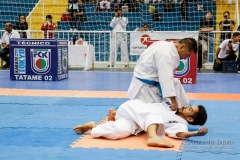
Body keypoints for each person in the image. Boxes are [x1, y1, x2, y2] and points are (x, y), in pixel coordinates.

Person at [73, 100, 208, 148]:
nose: (186, 107)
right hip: (133, 108)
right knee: (154, 113)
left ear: (190, 119)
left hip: (134, 123)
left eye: (190, 110)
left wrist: (195, 134)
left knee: (117, 133)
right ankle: (153, 137)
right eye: (189, 106)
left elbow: (180, 133)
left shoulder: (180, 123)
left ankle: (94, 125)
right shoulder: (172, 105)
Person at [127, 38, 197, 111]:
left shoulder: (164, 45)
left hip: (151, 79)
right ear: (182, 47)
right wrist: (173, 101)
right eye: (187, 55)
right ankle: (177, 109)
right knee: (144, 113)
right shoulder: (166, 54)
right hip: (144, 88)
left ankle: (182, 108)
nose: (186, 58)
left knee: (176, 82)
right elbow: (165, 78)